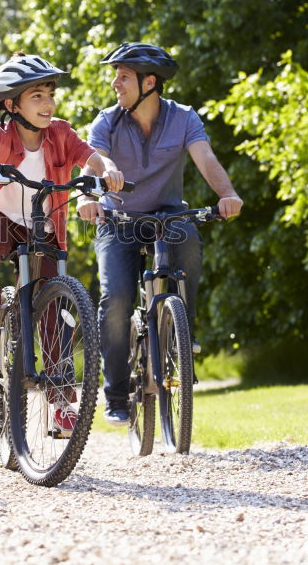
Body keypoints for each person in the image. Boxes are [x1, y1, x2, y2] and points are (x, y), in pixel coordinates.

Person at [0, 52, 124, 432]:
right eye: (37, 96)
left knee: (57, 312)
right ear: (11, 104)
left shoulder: (61, 133)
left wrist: (108, 170)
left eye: (50, 95)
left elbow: (89, 156)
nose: (48, 103)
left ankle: (61, 402)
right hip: (3, 223)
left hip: (42, 228)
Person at [79, 42, 243, 426]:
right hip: (118, 218)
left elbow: (206, 159)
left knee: (187, 237)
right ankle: (116, 393)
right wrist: (89, 195)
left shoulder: (184, 118)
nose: (115, 83)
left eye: (123, 76)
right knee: (116, 298)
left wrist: (228, 195)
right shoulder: (107, 121)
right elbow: (96, 161)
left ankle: (182, 329)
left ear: (149, 82)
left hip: (167, 215)